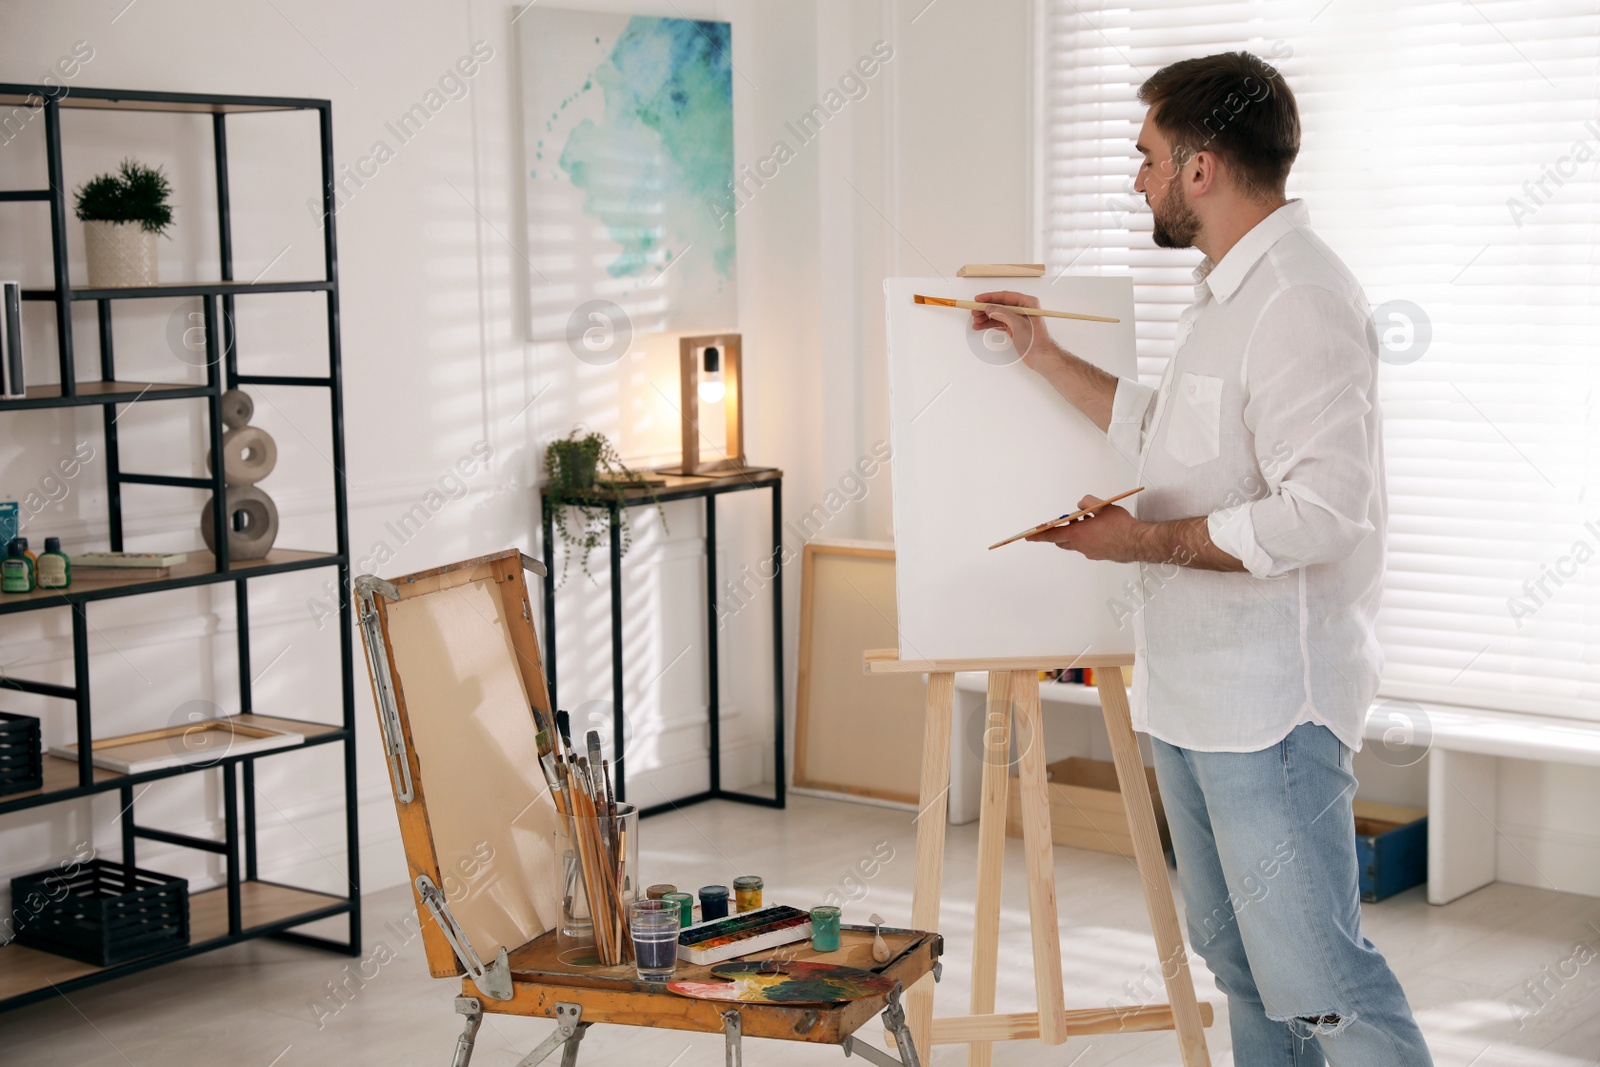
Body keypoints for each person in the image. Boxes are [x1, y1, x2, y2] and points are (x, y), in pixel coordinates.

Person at [973, 51, 1433, 1065]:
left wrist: (1132, 542)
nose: (1137, 178)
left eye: (1147, 157)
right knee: (1242, 967)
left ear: (1200, 167)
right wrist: (1043, 354)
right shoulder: (1226, 296)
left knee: (1321, 983)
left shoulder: (1298, 299)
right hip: (1191, 697)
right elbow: (1167, 439)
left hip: (1268, 712)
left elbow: (1321, 514)